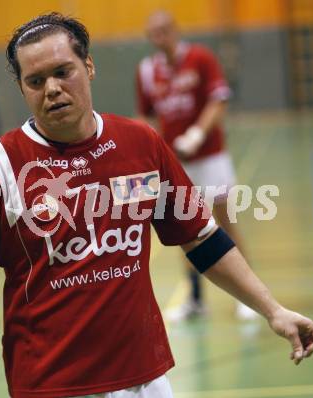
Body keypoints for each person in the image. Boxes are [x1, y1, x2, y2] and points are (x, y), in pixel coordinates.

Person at [0, 13, 313, 398]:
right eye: (35, 80)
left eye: (63, 72)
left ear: (89, 67)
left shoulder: (141, 145)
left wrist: (272, 310)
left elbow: (203, 241)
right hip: (52, 383)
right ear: (23, 90)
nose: (51, 88)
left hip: (144, 379)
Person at [136, 10, 255, 320]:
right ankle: (195, 299)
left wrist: (197, 134)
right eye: (154, 33)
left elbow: (218, 101)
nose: (160, 37)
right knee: (184, 229)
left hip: (211, 156)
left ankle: (248, 297)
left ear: (175, 29)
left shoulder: (200, 58)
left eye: (165, 30)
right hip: (176, 164)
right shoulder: (148, 71)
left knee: (225, 224)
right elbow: (147, 116)